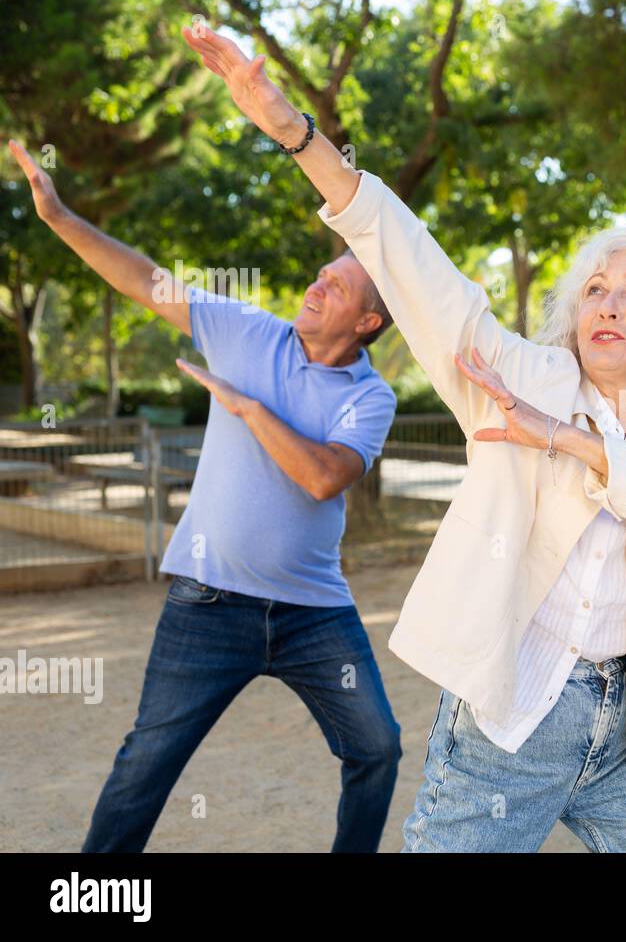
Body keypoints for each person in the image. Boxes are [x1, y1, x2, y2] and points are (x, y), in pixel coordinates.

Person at [181, 24, 626, 852]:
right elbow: (409, 259)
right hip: (510, 718)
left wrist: (570, 442)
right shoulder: (510, 377)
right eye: (594, 289)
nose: (607, 305)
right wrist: (294, 133)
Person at [7, 139, 403, 853]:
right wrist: (60, 216)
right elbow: (144, 281)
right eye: (322, 274)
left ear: (366, 323)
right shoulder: (247, 333)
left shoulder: (372, 396)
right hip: (208, 602)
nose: (316, 288)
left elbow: (322, 476)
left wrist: (249, 410)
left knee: (377, 748)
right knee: (146, 765)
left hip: (315, 614)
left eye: (336, 288)